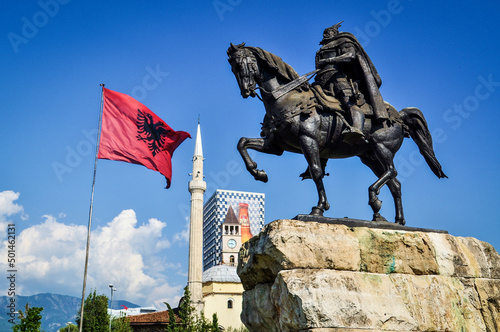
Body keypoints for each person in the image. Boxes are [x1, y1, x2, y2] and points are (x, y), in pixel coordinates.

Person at [314, 22, 389, 142]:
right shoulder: (321, 50)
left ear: (335, 33)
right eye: (324, 32)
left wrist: (328, 60)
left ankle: (356, 129)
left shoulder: (343, 41)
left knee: (348, 103)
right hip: (321, 81)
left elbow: (350, 55)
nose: (325, 34)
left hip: (338, 79)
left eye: (328, 32)